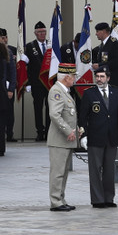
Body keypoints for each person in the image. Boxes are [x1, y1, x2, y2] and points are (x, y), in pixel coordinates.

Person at [78, 67, 118, 208]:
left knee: (109, 171)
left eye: (102, 76)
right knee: (95, 170)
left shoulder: (117, 93)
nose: (99, 79)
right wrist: (84, 135)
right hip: (95, 137)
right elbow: (83, 117)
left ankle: (108, 198)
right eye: (97, 76)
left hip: (111, 137)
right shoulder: (89, 94)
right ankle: (97, 200)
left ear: (108, 78)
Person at [47, 63, 80, 212]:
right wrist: (68, 131)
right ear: (67, 77)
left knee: (64, 173)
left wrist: (76, 130)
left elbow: (68, 115)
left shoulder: (64, 90)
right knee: (58, 172)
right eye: (74, 76)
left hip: (66, 140)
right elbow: (55, 114)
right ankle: (55, 201)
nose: (75, 79)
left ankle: (61, 198)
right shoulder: (57, 91)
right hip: (59, 140)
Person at [0, 27, 18, 142]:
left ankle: (9, 134)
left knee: (8, 113)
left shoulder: (7, 52)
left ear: (2, 38)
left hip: (5, 89)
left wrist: (11, 89)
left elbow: (12, 72)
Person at [23, 21, 50, 141]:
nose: (42, 34)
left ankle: (49, 131)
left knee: (50, 108)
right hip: (36, 82)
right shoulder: (29, 46)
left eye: (44, 32)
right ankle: (40, 131)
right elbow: (25, 67)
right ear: (35, 33)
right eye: (39, 32)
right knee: (38, 108)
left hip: (50, 82)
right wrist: (27, 83)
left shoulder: (51, 45)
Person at [92, 23, 118, 89]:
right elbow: (103, 60)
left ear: (103, 31)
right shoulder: (102, 45)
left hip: (114, 80)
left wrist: (99, 65)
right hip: (105, 80)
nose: (96, 34)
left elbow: (115, 61)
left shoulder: (114, 43)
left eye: (97, 31)